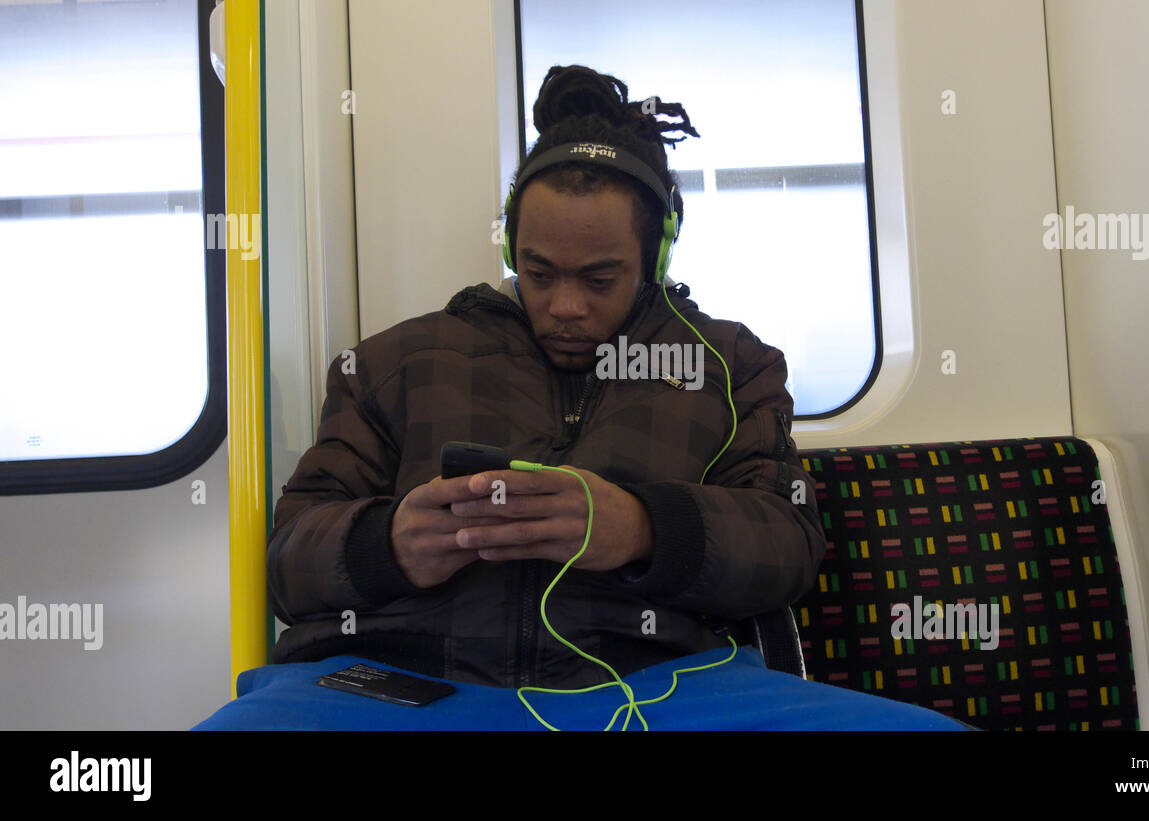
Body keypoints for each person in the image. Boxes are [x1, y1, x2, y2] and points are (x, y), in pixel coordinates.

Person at [265, 65, 824, 694]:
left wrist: (645, 529)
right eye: (538, 272)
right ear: (511, 251)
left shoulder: (731, 367)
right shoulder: (393, 364)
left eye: (599, 280)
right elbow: (287, 564)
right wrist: (386, 545)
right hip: (403, 684)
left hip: (654, 689)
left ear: (656, 258)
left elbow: (790, 547)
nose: (564, 306)